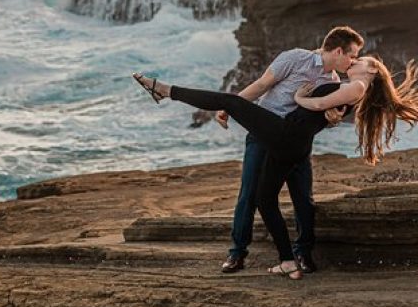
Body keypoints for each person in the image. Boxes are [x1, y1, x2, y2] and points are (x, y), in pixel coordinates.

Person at [133, 55, 418, 279]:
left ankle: (165, 90)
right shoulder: (348, 86)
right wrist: (325, 112)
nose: (357, 61)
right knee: (264, 200)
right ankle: (287, 262)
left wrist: (299, 99)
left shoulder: (356, 86)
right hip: (291, 142)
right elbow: (325, 111)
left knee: (229, 101)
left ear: (372, 72)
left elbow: (318, 103)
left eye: (363, 61)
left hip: (285, 135)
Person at [214, 27, 364, 274]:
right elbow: (262, 85)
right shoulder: (295, 58)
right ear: (338, 51)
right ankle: (237, 253)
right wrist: (231, 106)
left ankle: (303, 253)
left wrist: (332, 119)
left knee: (303, 198)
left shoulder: (334, 82)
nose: (353, 61)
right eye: (352, 55)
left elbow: (320, 118)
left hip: (296, 145)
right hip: (264, 136)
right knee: (249, 193)